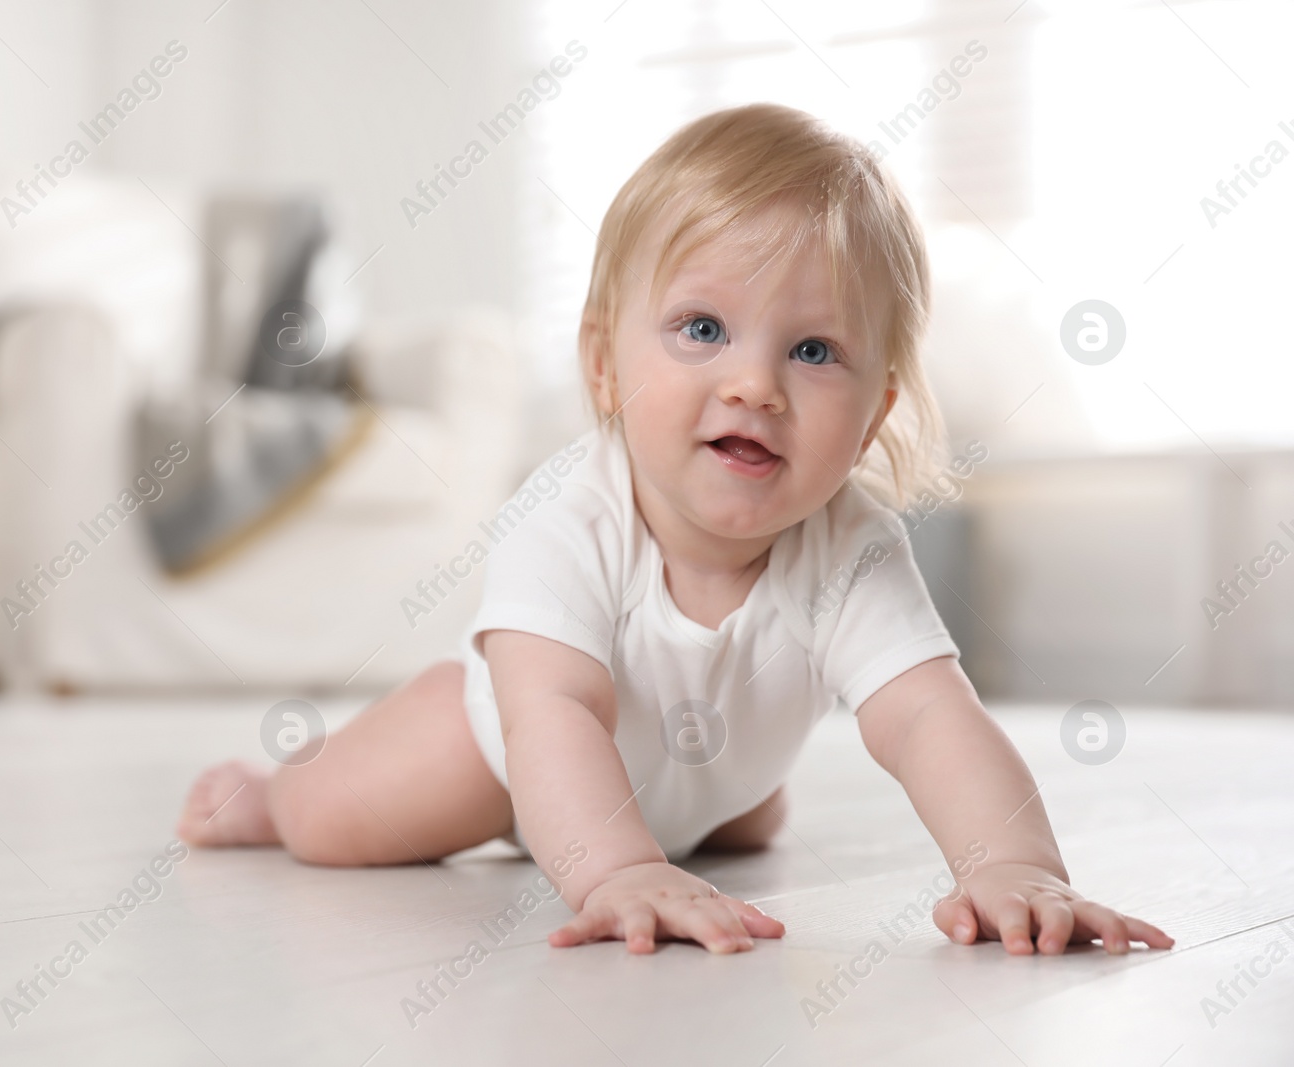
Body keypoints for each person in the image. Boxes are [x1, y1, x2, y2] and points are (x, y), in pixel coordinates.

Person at [176, 103, 1173, 958]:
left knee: (738, 808)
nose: (753, 383)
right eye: (702, 329)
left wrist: (1015, 864)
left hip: (699, 769)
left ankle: (714, 797)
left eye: (815, 349)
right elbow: (552, 713)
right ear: (605, 365)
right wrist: (620, 869)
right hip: (504, 756)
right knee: (341, 819)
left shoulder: (851, 542)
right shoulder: (565, 517)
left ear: (873, 414)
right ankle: (273, 794)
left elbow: (927, 716)